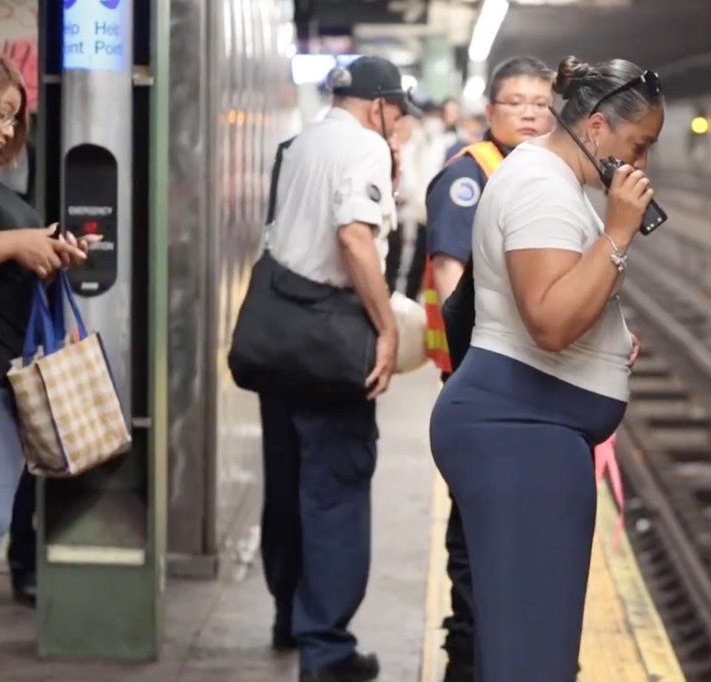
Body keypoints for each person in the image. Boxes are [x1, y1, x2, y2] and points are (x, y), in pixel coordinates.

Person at [428, 54, 664, 681]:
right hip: (518, 434)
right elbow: (550, 322)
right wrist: (617, 232)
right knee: (530, 660)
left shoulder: (551, 181)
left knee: (535, 652)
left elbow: (560, 298)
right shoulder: (540, 185)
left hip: (532, 434)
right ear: (594, 127)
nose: (639, 164)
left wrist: (608, 336)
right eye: (637, 145)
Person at [256, 54, 419, 682]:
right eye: (397, 116)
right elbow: (354, 238)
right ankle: (325, 649)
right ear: (378, 106)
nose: (398, 128)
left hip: (277, 340)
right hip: (329, 339)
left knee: (287, 483)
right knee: (335, 492)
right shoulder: (364, 146)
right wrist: (383, 326)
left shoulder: (298, 145)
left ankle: (286, 615)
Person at [0, 43, 94, 681]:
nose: (10, 130)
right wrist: (16, 240)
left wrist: (39, 247)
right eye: (3, 113)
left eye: (17, 116)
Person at [420, 55, 555, 682]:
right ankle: (466, 667)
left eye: (541, 102)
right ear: (490, 112)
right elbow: (453, 290)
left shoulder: (544, 177)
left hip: (527, 396)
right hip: (485, 392)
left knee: (522, 550)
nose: (530, 112)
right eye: (517, 102)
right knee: (477, 551)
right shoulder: (468, 179)